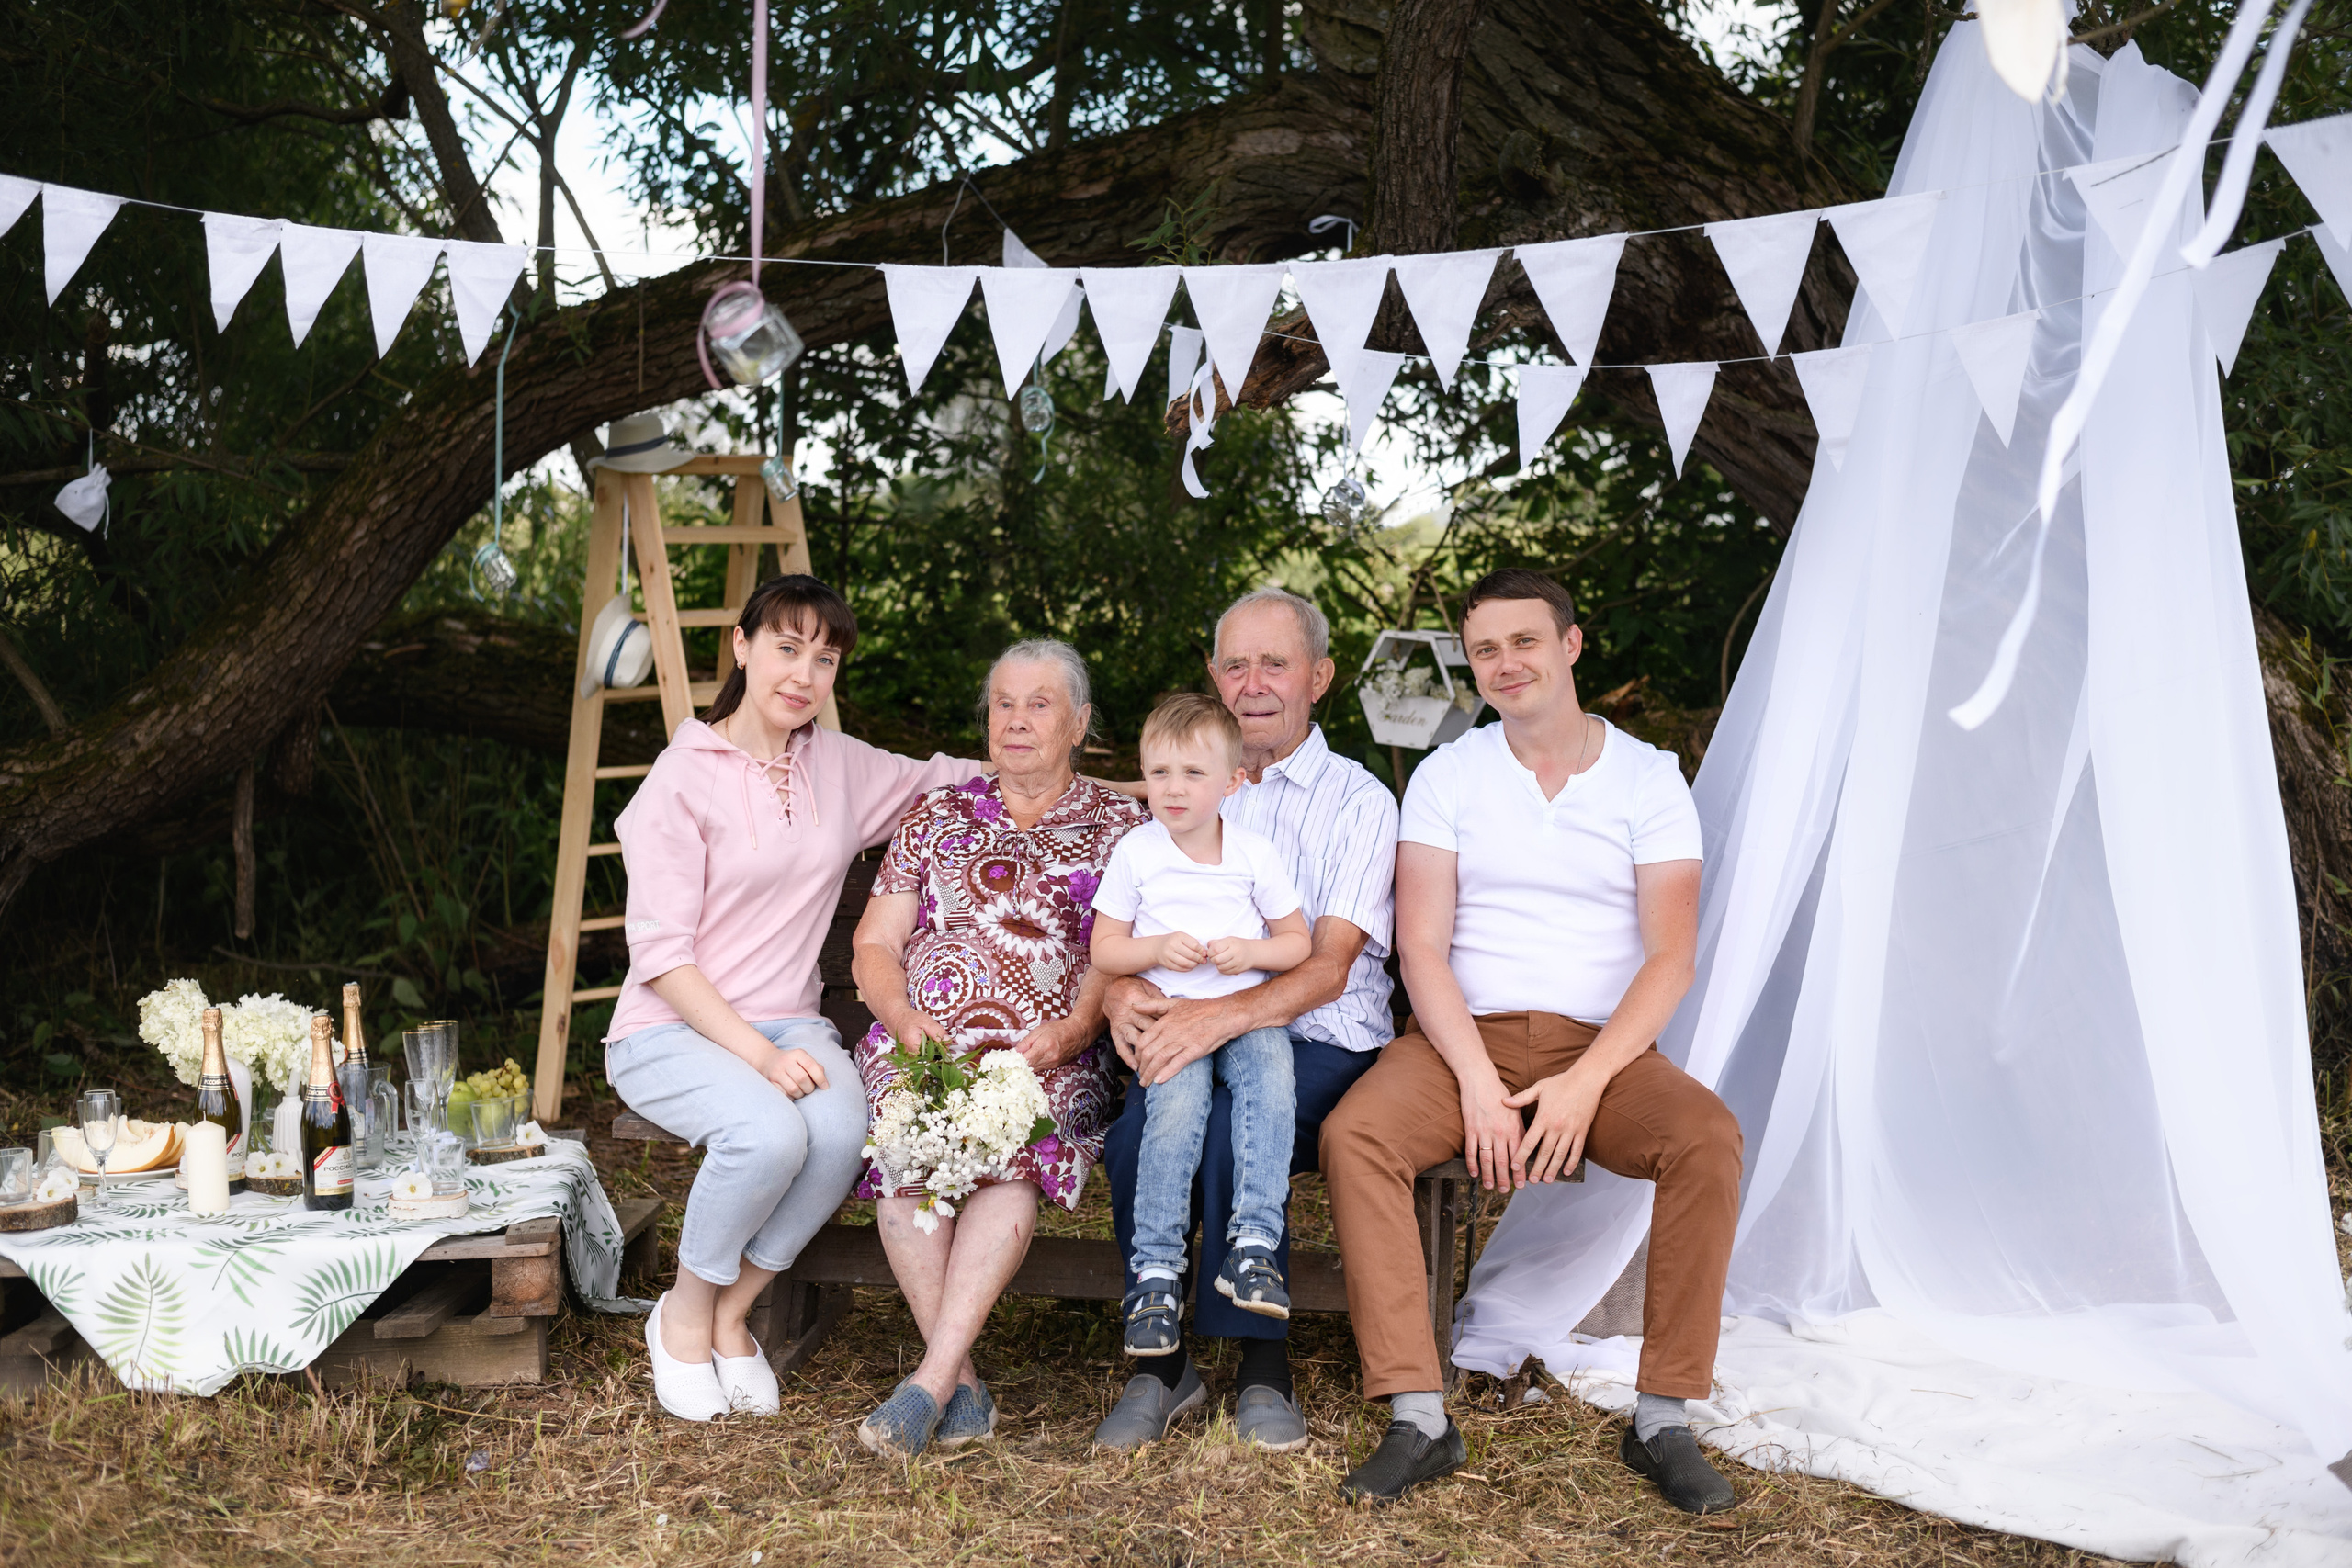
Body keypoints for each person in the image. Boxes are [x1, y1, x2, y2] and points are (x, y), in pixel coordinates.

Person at [1320, 568, 1742, 1512]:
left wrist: (1586, 1083)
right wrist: (1472, 1079)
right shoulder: (1450, 774)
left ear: (1569, 645)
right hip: (1458, 1038)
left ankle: (1663, 1417)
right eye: (1484, 650)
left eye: (1523, 641)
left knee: (1705, 1138)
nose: (1505, 664)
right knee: (1358, 1137)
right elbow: (1421, 949)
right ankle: (1419, 1417)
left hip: (1603, 1046)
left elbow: (1671, 957)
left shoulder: (1648, 778)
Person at [605, 575, 987, 1423]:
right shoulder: (681, 778)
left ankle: (734, 1310)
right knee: (768, 1131)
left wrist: (1131, 791)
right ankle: (685, 1311)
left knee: (846, 1130)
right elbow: (663, 960)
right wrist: (762, 1056)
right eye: (786, 647)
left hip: (789, 1019)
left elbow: (955, 777)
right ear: (741, 647)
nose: (805, 674)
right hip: (672, 1026)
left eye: (826, 658)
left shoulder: (838, 765)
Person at [1096, 588, 1400, 1452]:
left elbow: (1328, 964)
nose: (1254, 682)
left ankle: (1266, 1364)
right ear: (1213, 676)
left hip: (1319, 1038)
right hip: (1193, 1025)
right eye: (1236, 663)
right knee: (1133, 1141)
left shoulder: (1358, 801)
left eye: (1276, 662)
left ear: (1320, 676)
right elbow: (1125, 932)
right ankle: (1164, 1367)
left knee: (1230, 1127)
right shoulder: (1181, 787)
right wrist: (1122, 996)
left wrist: (1216, 1019)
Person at [848, 638, 1147, 1458]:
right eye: (1003, 704)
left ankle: (927, 1383)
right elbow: (874, 944)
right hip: (925, 1043)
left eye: (1039, 704)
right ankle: (960, 1382)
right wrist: (905, 1018)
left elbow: (1129, 949)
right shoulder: (937, 813)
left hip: (1051, 1051)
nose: (1015, 721)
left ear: (1080, 722)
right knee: (908, 1141)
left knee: (1013, 1151)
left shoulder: (1124, 825)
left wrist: (1077, 1030)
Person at [1091, 693, 1314, 1354]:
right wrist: (1156, 949)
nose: (1173, 789)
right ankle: (1156, 1274)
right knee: (1174, 1116)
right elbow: (1105, 950)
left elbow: (1297, 942)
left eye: (1192, 774)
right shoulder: (1137, 851)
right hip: (1167, 1016)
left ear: (1232, 782)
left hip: (1246, 1016)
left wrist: (1252, 953)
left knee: (1273, 1086)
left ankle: (1253, 1244)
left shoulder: (1253, 852)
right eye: (1159, 773)